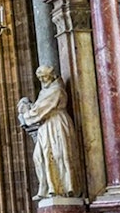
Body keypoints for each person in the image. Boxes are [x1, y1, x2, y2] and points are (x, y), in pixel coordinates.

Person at [17, 66, 82, 200]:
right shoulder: (44, 91)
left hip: (56, 124)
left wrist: (26, 114)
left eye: (44, 77)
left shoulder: (56, 90)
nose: (42, 80)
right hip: (45, 126)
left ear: (52, 76)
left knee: (58, 154)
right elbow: (38, 107)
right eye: (39, 78)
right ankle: (47, 187)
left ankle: (62, 188)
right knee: (39, 156)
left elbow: (42, 109)